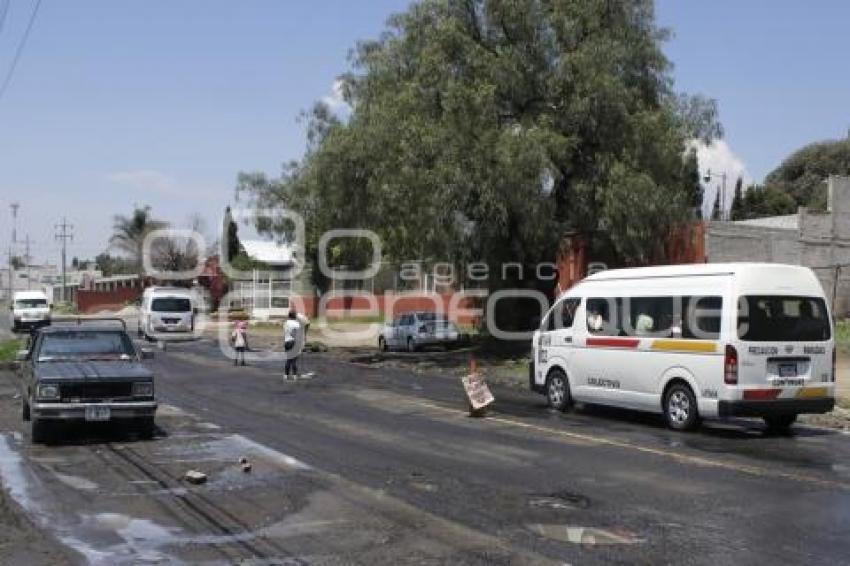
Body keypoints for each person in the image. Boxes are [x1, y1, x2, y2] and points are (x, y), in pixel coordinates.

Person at [283, 310, 302, 380]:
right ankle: (294, 376)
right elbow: (298, 334)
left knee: (288, 360)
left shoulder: (285, 323)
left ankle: (286, 375)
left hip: (286, 342)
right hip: (293, 342)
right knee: (294, 360)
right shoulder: (296, 324)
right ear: (295, 316)